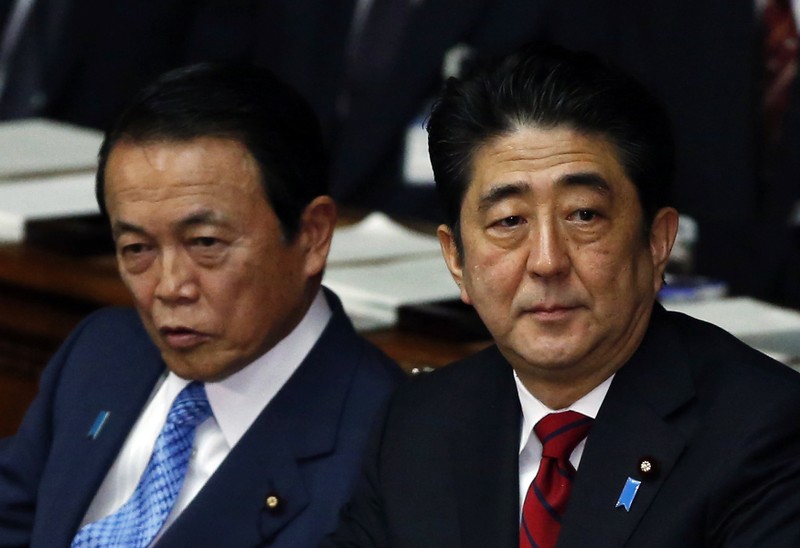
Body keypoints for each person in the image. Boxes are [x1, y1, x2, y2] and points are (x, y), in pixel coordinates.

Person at [323, 45, 800, 547]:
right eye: (509, 221)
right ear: (456, 259)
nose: (547, 260)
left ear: (658, 242)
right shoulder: (420, 423)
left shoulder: (764, 433)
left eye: (584, 215)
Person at [0, 62, 404, 547]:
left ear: (313, 236)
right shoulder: (104, 352)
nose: (170, 287)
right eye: (137, 249)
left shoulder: (389, 451)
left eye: (206, 243)